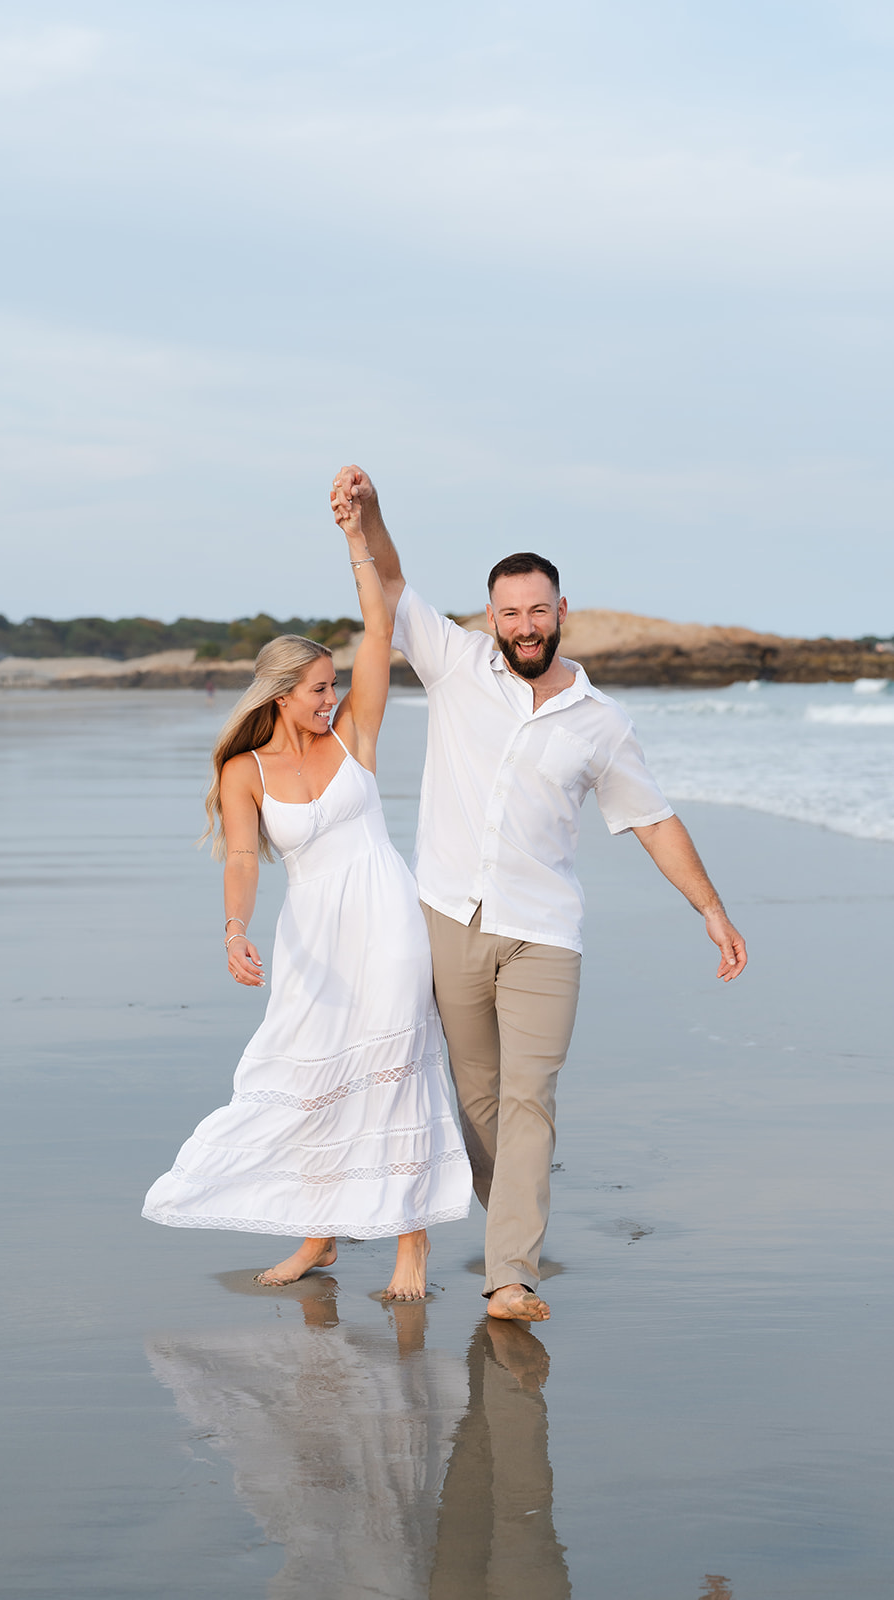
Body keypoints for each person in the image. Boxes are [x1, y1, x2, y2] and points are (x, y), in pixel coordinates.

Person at [329, 464, 748, 1323]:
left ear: (562, 613)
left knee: (529, 1098)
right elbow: (394, 583)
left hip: (542, 934)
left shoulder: (600, 721)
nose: (524, 625)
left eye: (538, 609)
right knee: (476, 1101)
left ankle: (508, 1273)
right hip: (447, 914)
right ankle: (509, 1227)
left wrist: (709, 908)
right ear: (493, 617)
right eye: (509, 611)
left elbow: (652, 820)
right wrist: (366, 519)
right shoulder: (452, 664)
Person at [142, 493, 471, 1299]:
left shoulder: (354, 737)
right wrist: (233, 929)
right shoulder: (243, 771)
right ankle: (320, 1236)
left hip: (387, 918)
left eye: (333, 685)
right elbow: (245, 858)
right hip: (312, 936)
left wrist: (357, 538)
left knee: (398, 1068)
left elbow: (380, 628)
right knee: (317, 1075)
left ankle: (410, 1248)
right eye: (317, 689)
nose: (331, 700)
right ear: (281, 692)